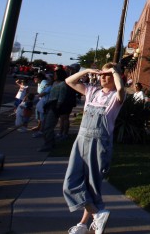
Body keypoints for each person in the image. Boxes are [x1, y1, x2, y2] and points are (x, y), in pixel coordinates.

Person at [63, 62, 125, 234]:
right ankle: (98, 214)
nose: (103, 77)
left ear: (115, 77)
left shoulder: (116, 98)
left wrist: (114, 71)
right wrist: (88, 70)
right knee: (70, 184)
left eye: (107, 75)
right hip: (81, 140)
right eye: (101, 74)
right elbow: (69, 81)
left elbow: (121, 90)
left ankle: (83, 224)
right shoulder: (92, 91)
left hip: (99, 143)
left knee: (92, 186)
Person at [39, 68, 68, 152]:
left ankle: (49, 144)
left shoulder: (63, 85)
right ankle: (48, 142)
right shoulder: (54, 83)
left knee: (48, 126)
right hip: (49, 104)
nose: (54, 76)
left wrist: (57, 108)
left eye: (55, 74)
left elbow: (61, 98)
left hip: (54, 106)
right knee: (45, 125)